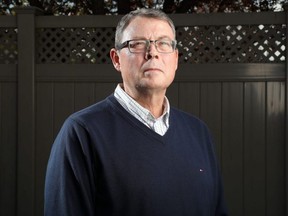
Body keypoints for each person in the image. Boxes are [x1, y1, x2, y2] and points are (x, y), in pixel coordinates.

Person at [44, 8, 228, 216]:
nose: (153, 52)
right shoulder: (82, 133)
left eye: (163, 43)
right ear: (116, 59)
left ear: (175, 59)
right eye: (138, 44)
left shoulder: (198, 132)